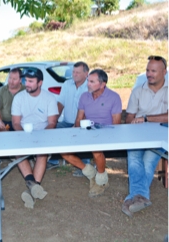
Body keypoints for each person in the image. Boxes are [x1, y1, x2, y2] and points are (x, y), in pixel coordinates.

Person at [61, 69, 122, 197]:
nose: (88, 84)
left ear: (102, 84)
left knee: (96, 149)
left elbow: (116, 125)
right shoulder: (84, 96)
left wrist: (101, 134)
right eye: (88, 81)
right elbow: (79, 119)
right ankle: (89, 172)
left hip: (106, 134)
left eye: (92, 82)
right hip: (87, 132)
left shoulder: (114, 97)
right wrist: (75, 134)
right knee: (63, 151)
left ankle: (101, 180)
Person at [122, 55, 168, 217]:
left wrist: (147, 118)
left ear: (164, 72)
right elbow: (129, 117)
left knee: (148, 162)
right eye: (147, 70)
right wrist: (132, 124)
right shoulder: (138, 90)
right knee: (134, 160)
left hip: (160, 135)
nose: (149, 74)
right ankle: (141, 197)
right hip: (138, 134)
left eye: (153, 71)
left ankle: (133, 197)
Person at [11, 68, 58, 208]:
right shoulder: (19, 98)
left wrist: (40, 137)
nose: (27, 84)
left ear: (40, 83)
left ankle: (31, 189)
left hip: (43, 134)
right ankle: (34, 186)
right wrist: (24, 135)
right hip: (23, 133)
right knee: (19, 152)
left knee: (41, 153)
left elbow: (52, 123)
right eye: (26, 81)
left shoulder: (49, 98)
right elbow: (15, 122)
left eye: (31, 81)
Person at [47, 61, 91, 175]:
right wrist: (54, 120)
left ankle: (84, 165)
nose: (74, 74)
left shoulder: (90, 87)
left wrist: (77, 125)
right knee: (52, 130)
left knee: (83, 135)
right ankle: (54, 160)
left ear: (86, 74)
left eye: (78, 72)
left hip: (83, 123)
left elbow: (89, 110)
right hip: (66, 121)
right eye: (73, 72)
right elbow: (60, 104)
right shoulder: (67, 84)